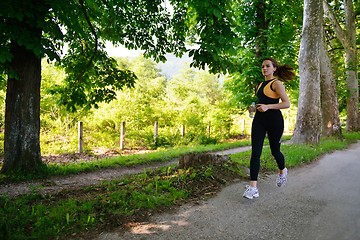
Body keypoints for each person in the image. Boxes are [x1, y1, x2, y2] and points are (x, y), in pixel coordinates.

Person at [243, 57, 296, 200]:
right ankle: (253, 187)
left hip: (274, 121)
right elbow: (262, 102)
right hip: (259, 120)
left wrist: (268, 107)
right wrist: (253, 108)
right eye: (263, 66)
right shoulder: (260, 84)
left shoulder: (277, 83)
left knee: (275, 151)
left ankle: (282, 171)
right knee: (255, 153)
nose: (264, 68)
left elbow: (286, 103)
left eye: (267, 66)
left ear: (274, 68)